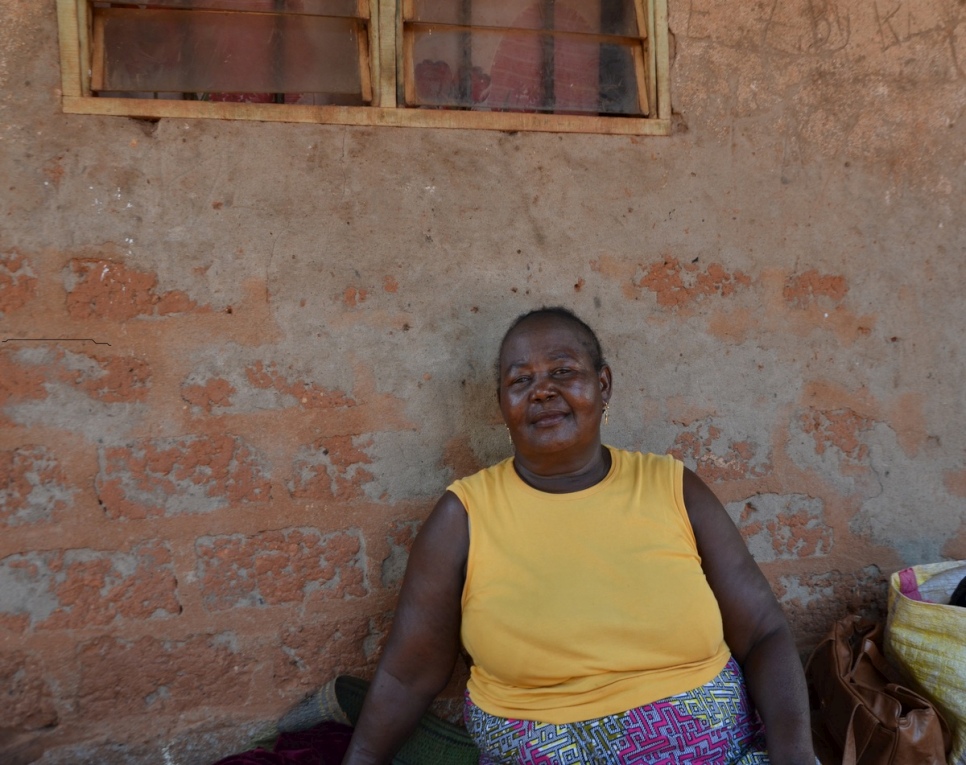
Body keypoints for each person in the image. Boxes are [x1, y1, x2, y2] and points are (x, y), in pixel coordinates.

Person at [342, 307, 816, 765]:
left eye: (563, 372)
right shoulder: (463, 516)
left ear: (602, 384)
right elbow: (409, 674)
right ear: (502, 404)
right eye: (520, 380)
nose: (542, 392)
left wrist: (795, 756)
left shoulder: (672, 489)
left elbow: (763, 632)